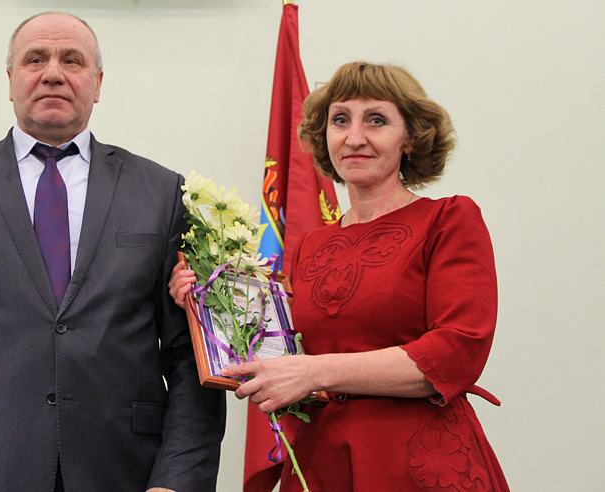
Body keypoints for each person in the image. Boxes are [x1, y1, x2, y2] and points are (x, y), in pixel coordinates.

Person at [0, 12, 225, 492]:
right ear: (10, 80)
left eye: (72, 60)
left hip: (126, 473)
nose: (53, 73)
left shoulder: (161, 193)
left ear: (98, 84)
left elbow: (192, 358)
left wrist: (175, 483)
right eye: (35, 59)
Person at [169, 61, 509, 491]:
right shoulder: (310, 245)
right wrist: (204, 299)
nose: (354, 137)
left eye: (376, 120)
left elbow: (455, 353)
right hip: (322, 464)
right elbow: (277, 350)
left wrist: (316, 372)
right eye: (340, 120)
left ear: (410, 138)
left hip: (419, 464)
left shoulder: (448, 219)